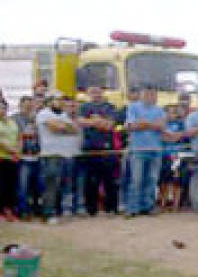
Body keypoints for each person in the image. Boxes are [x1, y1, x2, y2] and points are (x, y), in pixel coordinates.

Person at [36, 94, 80, 223]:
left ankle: (57, 211)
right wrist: (65, 127)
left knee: (62, 185)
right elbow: (55, 128)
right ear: (49, 101)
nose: (60, 102)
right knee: (51, 185)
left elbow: (75, 129)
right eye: (57, 99)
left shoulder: (64, 114)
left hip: (65, 154)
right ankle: (48, 214)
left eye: (61, 99)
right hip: (51, 154)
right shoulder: (44, 113)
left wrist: (64, 127)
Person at [77, 86, 120, 216]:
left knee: (110, 180)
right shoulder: (83, 107)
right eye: (92, 92)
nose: (95, 94)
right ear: (88, 93)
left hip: (107, 148)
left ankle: (111, 208)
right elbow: (80, 122)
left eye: (98, 91)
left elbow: (109, 125)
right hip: (89, 148)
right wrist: (99, 121)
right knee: (90, 181)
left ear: (102, 92)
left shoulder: (110, 107)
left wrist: (93, 121)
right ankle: (91, 209)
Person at [125, 87, 166, 217]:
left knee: (152, 180)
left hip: (155, 149)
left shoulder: (159, 110)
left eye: (154, 94)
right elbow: (130, 126)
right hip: (138, 149)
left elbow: (162, 126)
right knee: (136, 180)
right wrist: (152, 125)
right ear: (143, 95)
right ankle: (132, 209)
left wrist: (144, 124)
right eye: (148, 94)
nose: (151, 96)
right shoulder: (133, 108)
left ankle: (148, 207)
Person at [16, 96, 41, 220]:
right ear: (20, 105)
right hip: (23, 157)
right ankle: (23, 211)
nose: (28, 107)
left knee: (38, 186)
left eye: (30, 105)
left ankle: (36, 209)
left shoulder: (37, 118)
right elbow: (16, 135)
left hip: (37, 156)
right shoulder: (14, 119)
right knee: (23, 186)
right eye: (26, 105)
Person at [0, 96, 18, 221]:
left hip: (12, 159)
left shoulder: (11, 122)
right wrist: (11, 150)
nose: (2, 110)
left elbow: (19, 136)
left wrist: (18, 150)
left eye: (4, 107)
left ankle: (9, 210)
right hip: (1, 157)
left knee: (10, 186)